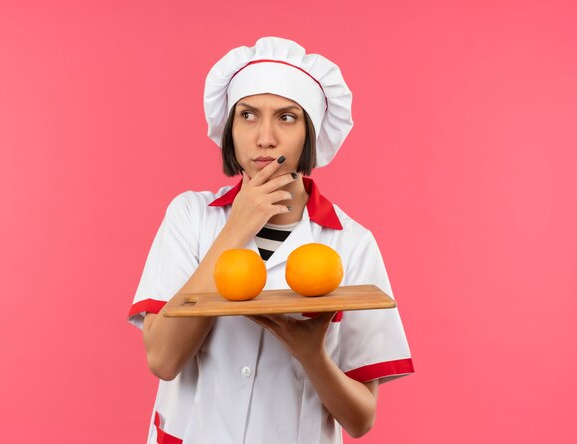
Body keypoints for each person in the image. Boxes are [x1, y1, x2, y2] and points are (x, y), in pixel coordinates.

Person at [128, 36, 414, 444]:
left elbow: (361, 420)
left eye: (286, 117)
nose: (265, 138)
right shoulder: (190, 216)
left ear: (309, 133)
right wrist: (236, 228)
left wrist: (311, 354)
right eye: (248, 115)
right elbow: (163, 359)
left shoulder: (352, 243)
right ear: (230, 128)